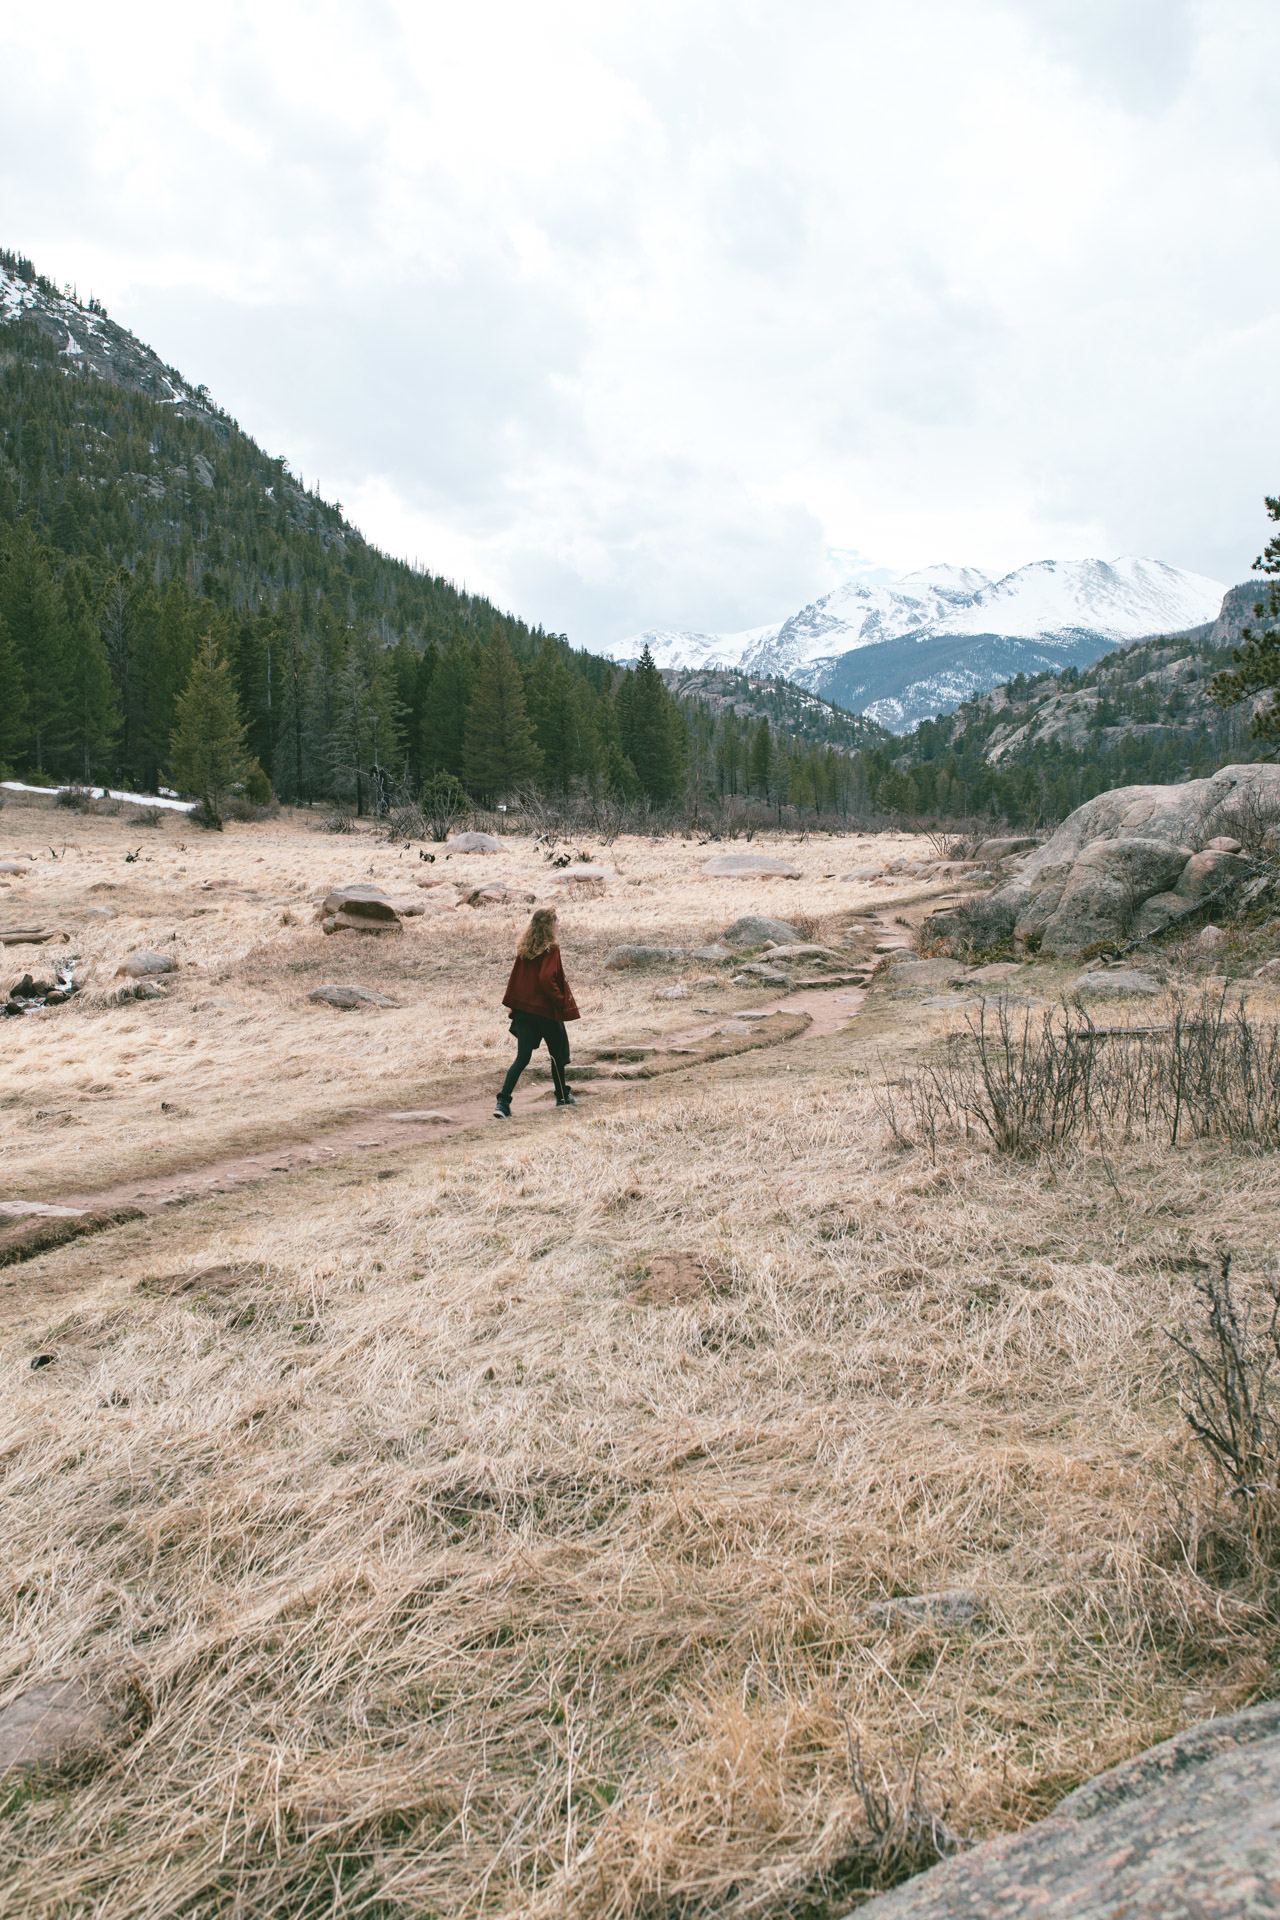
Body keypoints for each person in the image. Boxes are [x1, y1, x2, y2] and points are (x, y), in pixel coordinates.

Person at [495, 906, 579, 1118]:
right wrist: (559, 1000)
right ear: (549, 926)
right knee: (557, 1056)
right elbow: (545, 978)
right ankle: (562, 1097)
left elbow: (516, 979)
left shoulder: (524, 950)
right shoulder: (551, 949)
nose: (559, 925)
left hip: (525, 1012)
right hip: (546, 1012)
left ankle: (503, 1103)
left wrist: (516, 1005)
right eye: (556, 922)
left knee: (522, 1058)